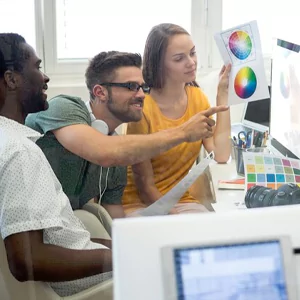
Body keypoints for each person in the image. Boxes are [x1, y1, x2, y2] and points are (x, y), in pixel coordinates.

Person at [26, 49, 229, 219]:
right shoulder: (64, 107)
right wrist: (183, 132)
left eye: (143, 87)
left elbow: (115, 219)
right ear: (100, 92)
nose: (141, 94)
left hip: (66, 229)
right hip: (25, 232)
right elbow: (104, 152)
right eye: (131, 86)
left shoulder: (119, 152)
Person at [0, 33, 112, 297]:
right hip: (90, 287)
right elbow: (27, 260)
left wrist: (116, 246)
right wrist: (119, 259)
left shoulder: (10, 141)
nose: (45, 78)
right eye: (37, 68)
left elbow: (63, 239)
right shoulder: (19, 152)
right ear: (11, 79)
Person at [122, 23, 231, 216]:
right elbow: (146, 187)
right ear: (159, 65)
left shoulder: (198, 98)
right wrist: (175, 220)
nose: (191, 62)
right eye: (179, 58)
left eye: (193, 53)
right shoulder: (142, 109)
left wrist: (222, 95)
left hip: (181, 200)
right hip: (141, 204)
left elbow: (221, 155)